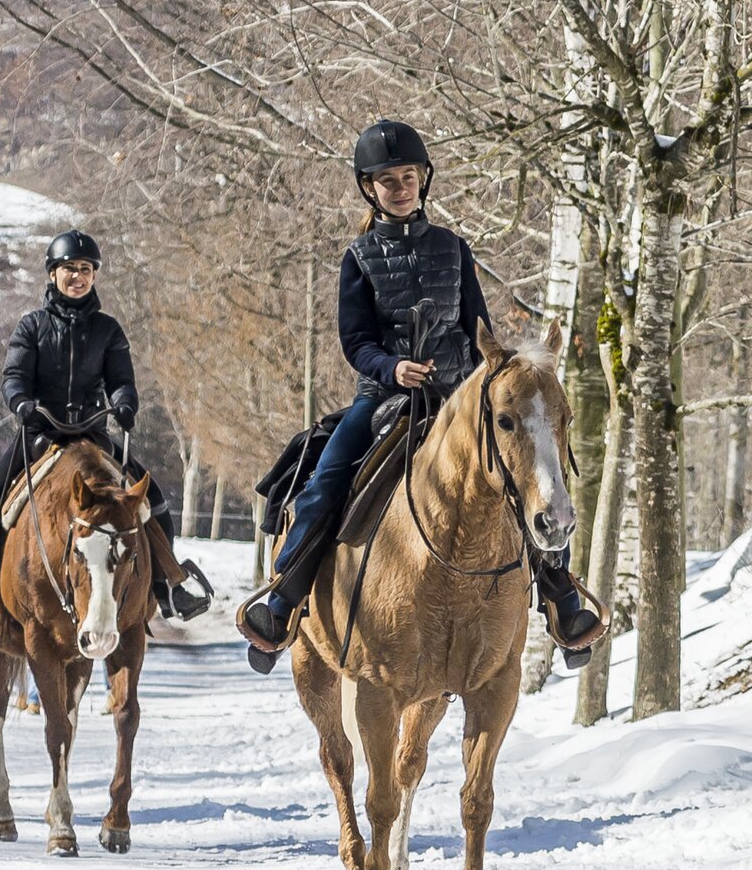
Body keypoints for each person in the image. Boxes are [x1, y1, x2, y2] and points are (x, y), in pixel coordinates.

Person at [235, 120, 604, 673]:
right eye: (388, 181)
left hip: (459, 396)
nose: (400, 187)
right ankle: (283, 599)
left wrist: (494, 366)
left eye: (408, 177)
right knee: (326, 479)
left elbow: (479, 327)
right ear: (370, 188)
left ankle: (562, 600)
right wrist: (393, 367)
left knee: (529, 471)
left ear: (423, 180)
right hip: (383, 397)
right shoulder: (358, 257)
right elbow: (355, 341)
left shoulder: (454, 249)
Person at [0, 230, 211, 623]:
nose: (78, 276)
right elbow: (14, 376)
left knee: (153, 502)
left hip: (93, 435)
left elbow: (121, 380)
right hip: (40, 434)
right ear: (52, 274)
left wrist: (124, 404)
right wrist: (21, 402)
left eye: (85, 269)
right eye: (69, 268)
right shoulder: (31, 326)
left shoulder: (109, 330)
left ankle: (168, 586)